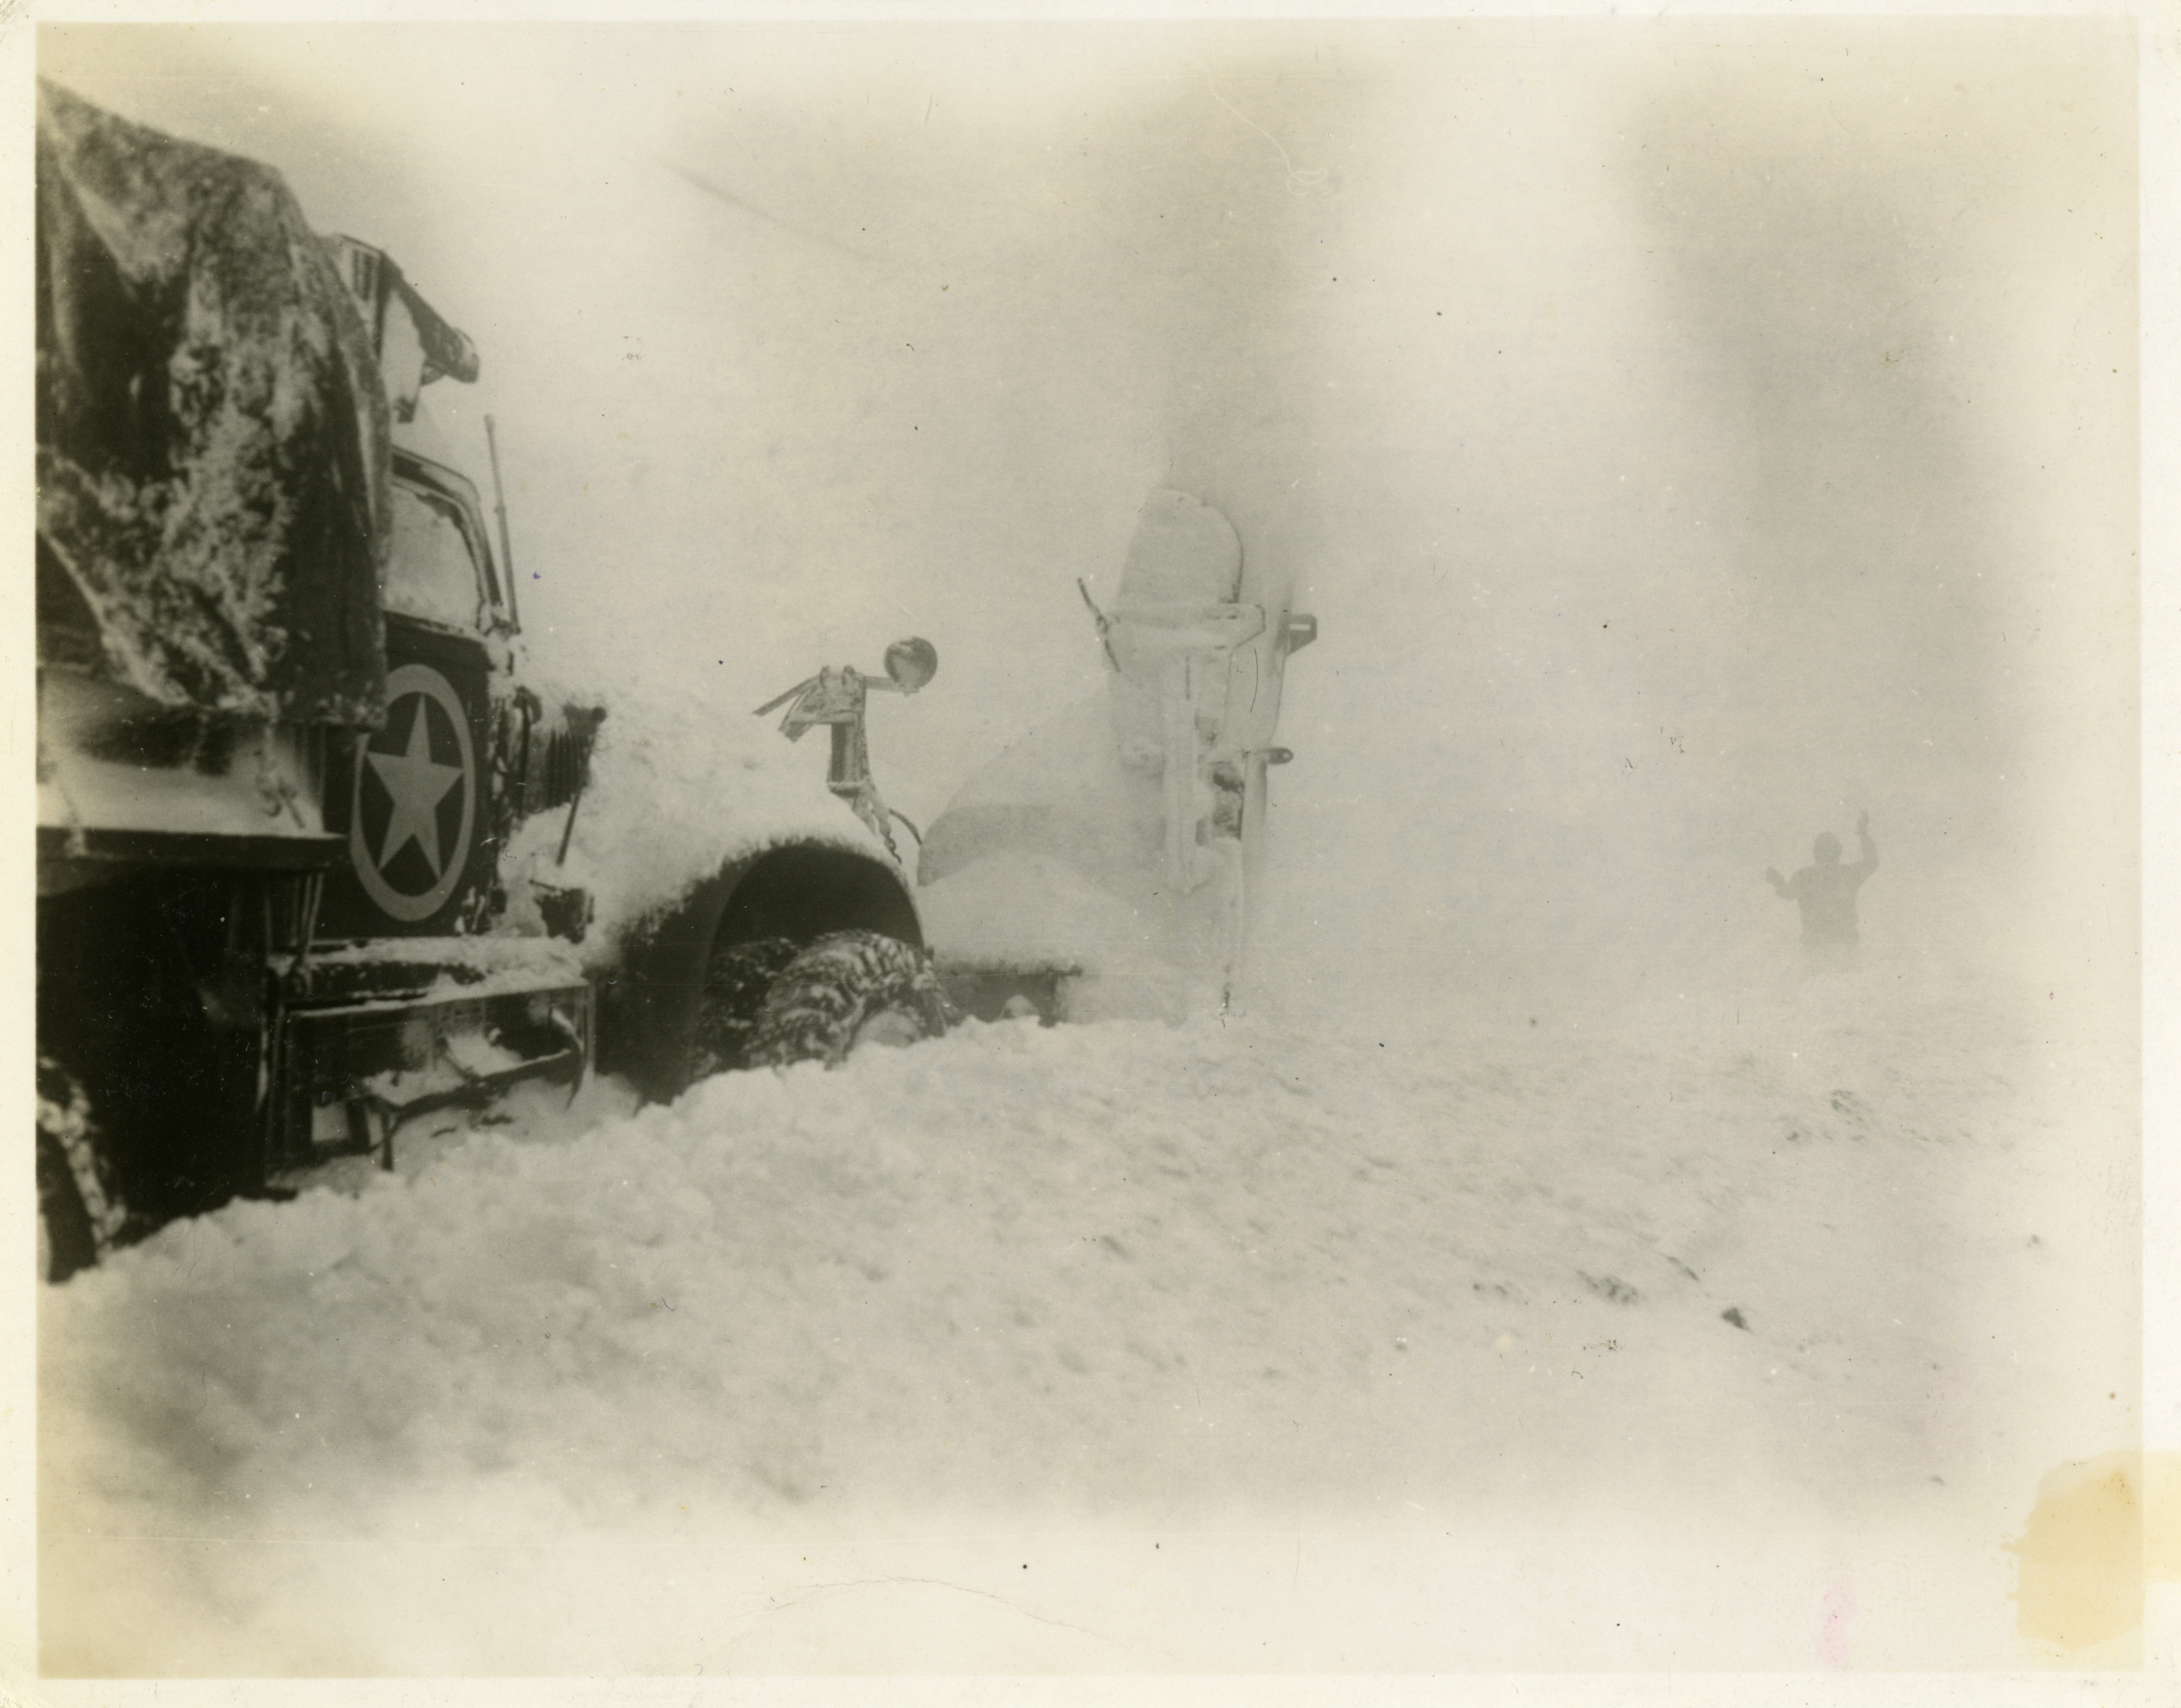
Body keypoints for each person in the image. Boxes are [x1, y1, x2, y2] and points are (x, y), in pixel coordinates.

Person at [1765, 812, 1878, 971]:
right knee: (1848, 990)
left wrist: (1778, 882)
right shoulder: (1848, 874)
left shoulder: (1805, 876)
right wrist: (1863, 835)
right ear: (1839, 852)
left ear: (1816, 853)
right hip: (1845, 943)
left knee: (1814, 991)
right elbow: (1872, 862)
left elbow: (1787, 893)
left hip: (1815, 944)